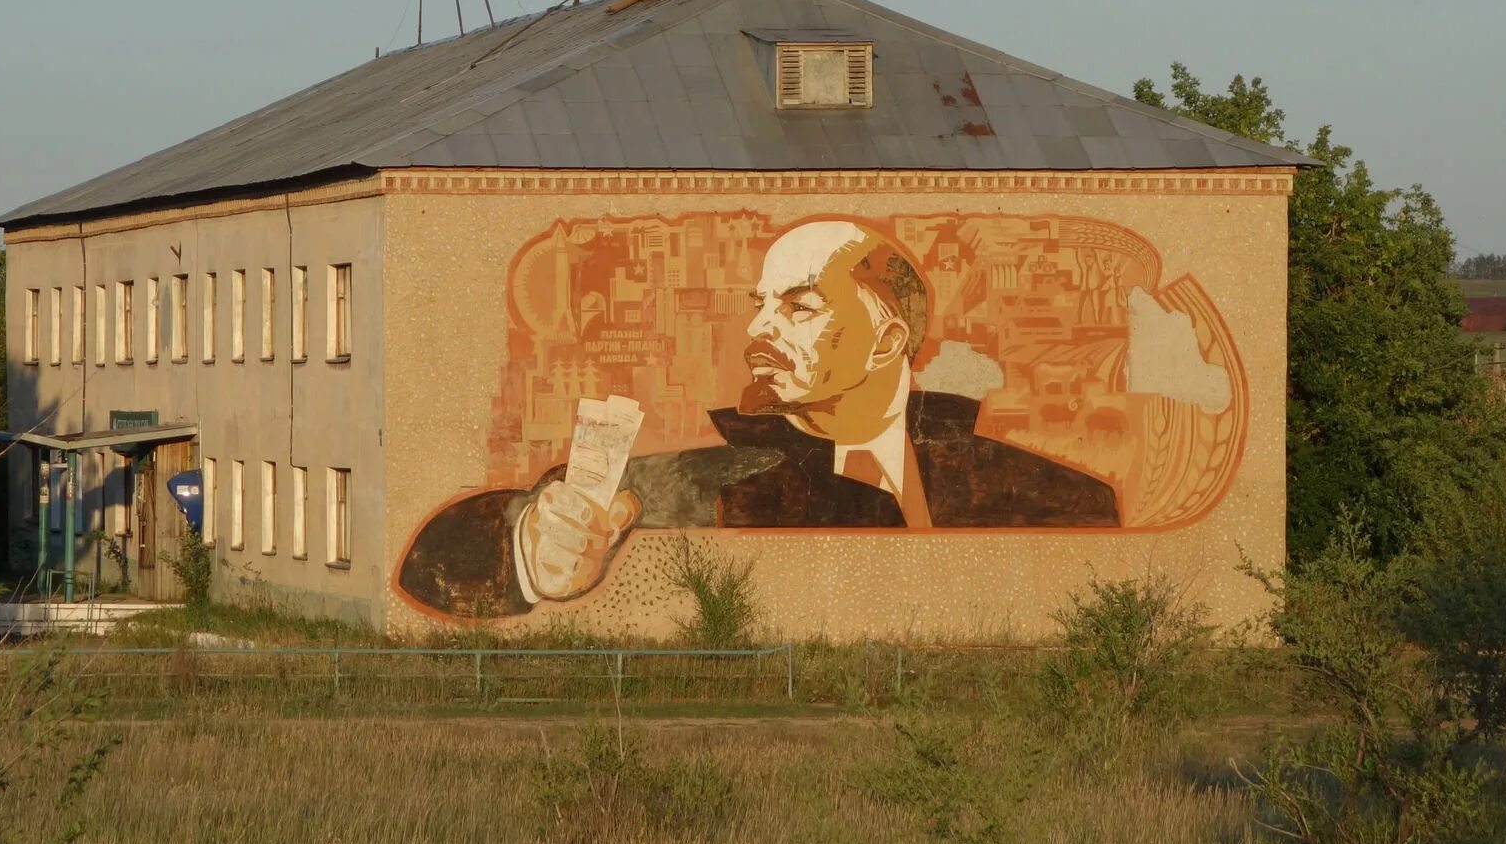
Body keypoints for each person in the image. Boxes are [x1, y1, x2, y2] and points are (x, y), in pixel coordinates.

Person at [398, 218, 1119, 618]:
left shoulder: (1064, 496)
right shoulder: (697, 485)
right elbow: (451, 548)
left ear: (890, 340)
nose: (758, 333)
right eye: (760, 305)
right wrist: (531, 541)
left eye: (798, 307)